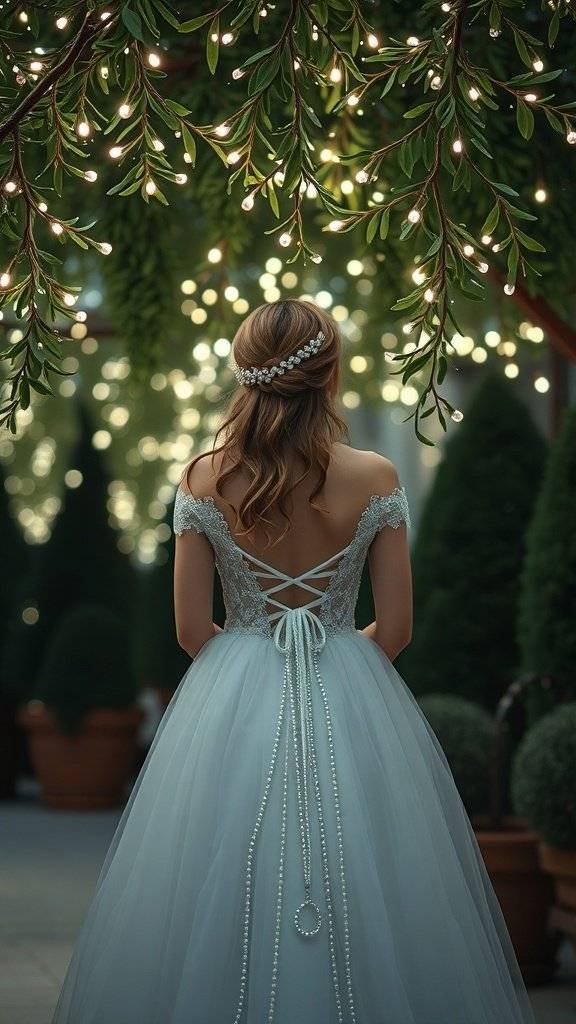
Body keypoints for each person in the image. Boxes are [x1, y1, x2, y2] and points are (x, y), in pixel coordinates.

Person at [52, 299, 536, 1023]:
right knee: (364, 864)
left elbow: (190, 630)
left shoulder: (204, 477)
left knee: (216, 868)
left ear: (244, 373)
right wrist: (339, 664)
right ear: (330, 374)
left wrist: (246, 666)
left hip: (232, 688)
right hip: (350, 686)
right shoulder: (375, 476)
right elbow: (396, 629)